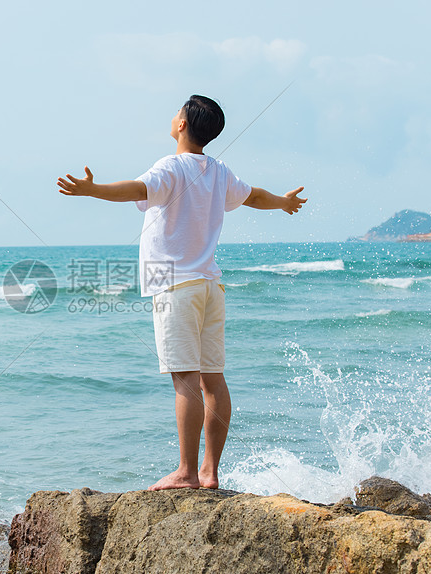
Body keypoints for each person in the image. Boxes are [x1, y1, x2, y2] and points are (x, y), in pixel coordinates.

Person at [57, 95, 306, 491]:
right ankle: (209, 471)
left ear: (182, 125)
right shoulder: (220, 172)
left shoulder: (170, 167)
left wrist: (94, 190)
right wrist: (283, 203)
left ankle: (187, 472)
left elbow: (137, 188)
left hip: (175, 284)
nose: (172, 115)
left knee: (186, 380)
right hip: (210, 285)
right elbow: (255, 195)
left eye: (177, 111)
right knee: (213, 380)